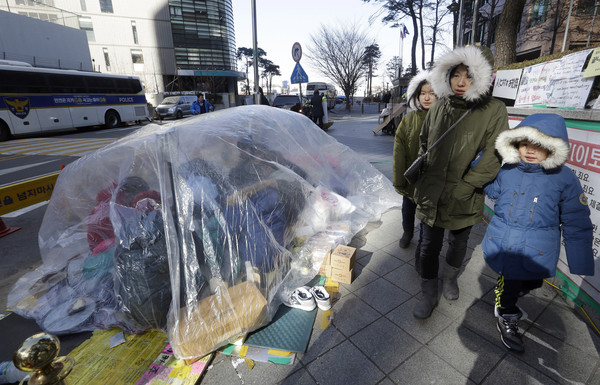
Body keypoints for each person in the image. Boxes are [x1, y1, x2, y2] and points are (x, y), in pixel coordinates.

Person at [482, 113, 594, 352]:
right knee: (509, 286)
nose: (530, 150)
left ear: (553, 148)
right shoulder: (508, 170)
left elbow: (576, 221)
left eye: (539, 145)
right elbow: (492, 190)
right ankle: (506, 314)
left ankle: (510, 297)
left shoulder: (564, 179)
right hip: (506, 243)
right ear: (516, 144)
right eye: (524, 144)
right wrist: (478, 168)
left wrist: (580, 260)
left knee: (533, 281)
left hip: (539, 249)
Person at [412, 45, 509, 319]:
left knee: (458, 242)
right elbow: (424, 140)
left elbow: (494, 153)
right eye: (456, 74)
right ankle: (428, 290)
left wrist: (467, 186)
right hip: (432, 190)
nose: (461, 81)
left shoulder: (494, 110)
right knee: (429, 244)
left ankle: (450, 278)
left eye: (469, 75)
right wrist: (421, 170)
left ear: (483, 76)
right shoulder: (440, 105)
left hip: (465, 193)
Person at [392, 71, 436, 249]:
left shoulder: (443, 119)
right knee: (407, 208)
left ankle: (424, 240)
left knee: (428, 213)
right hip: (411, 176)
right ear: (416, 96)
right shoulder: (409, 119)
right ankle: (407, 231)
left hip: (432, 177)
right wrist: (399, 178)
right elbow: (399, 148)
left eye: (431, 93)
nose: (427, 97)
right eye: (423, 93)